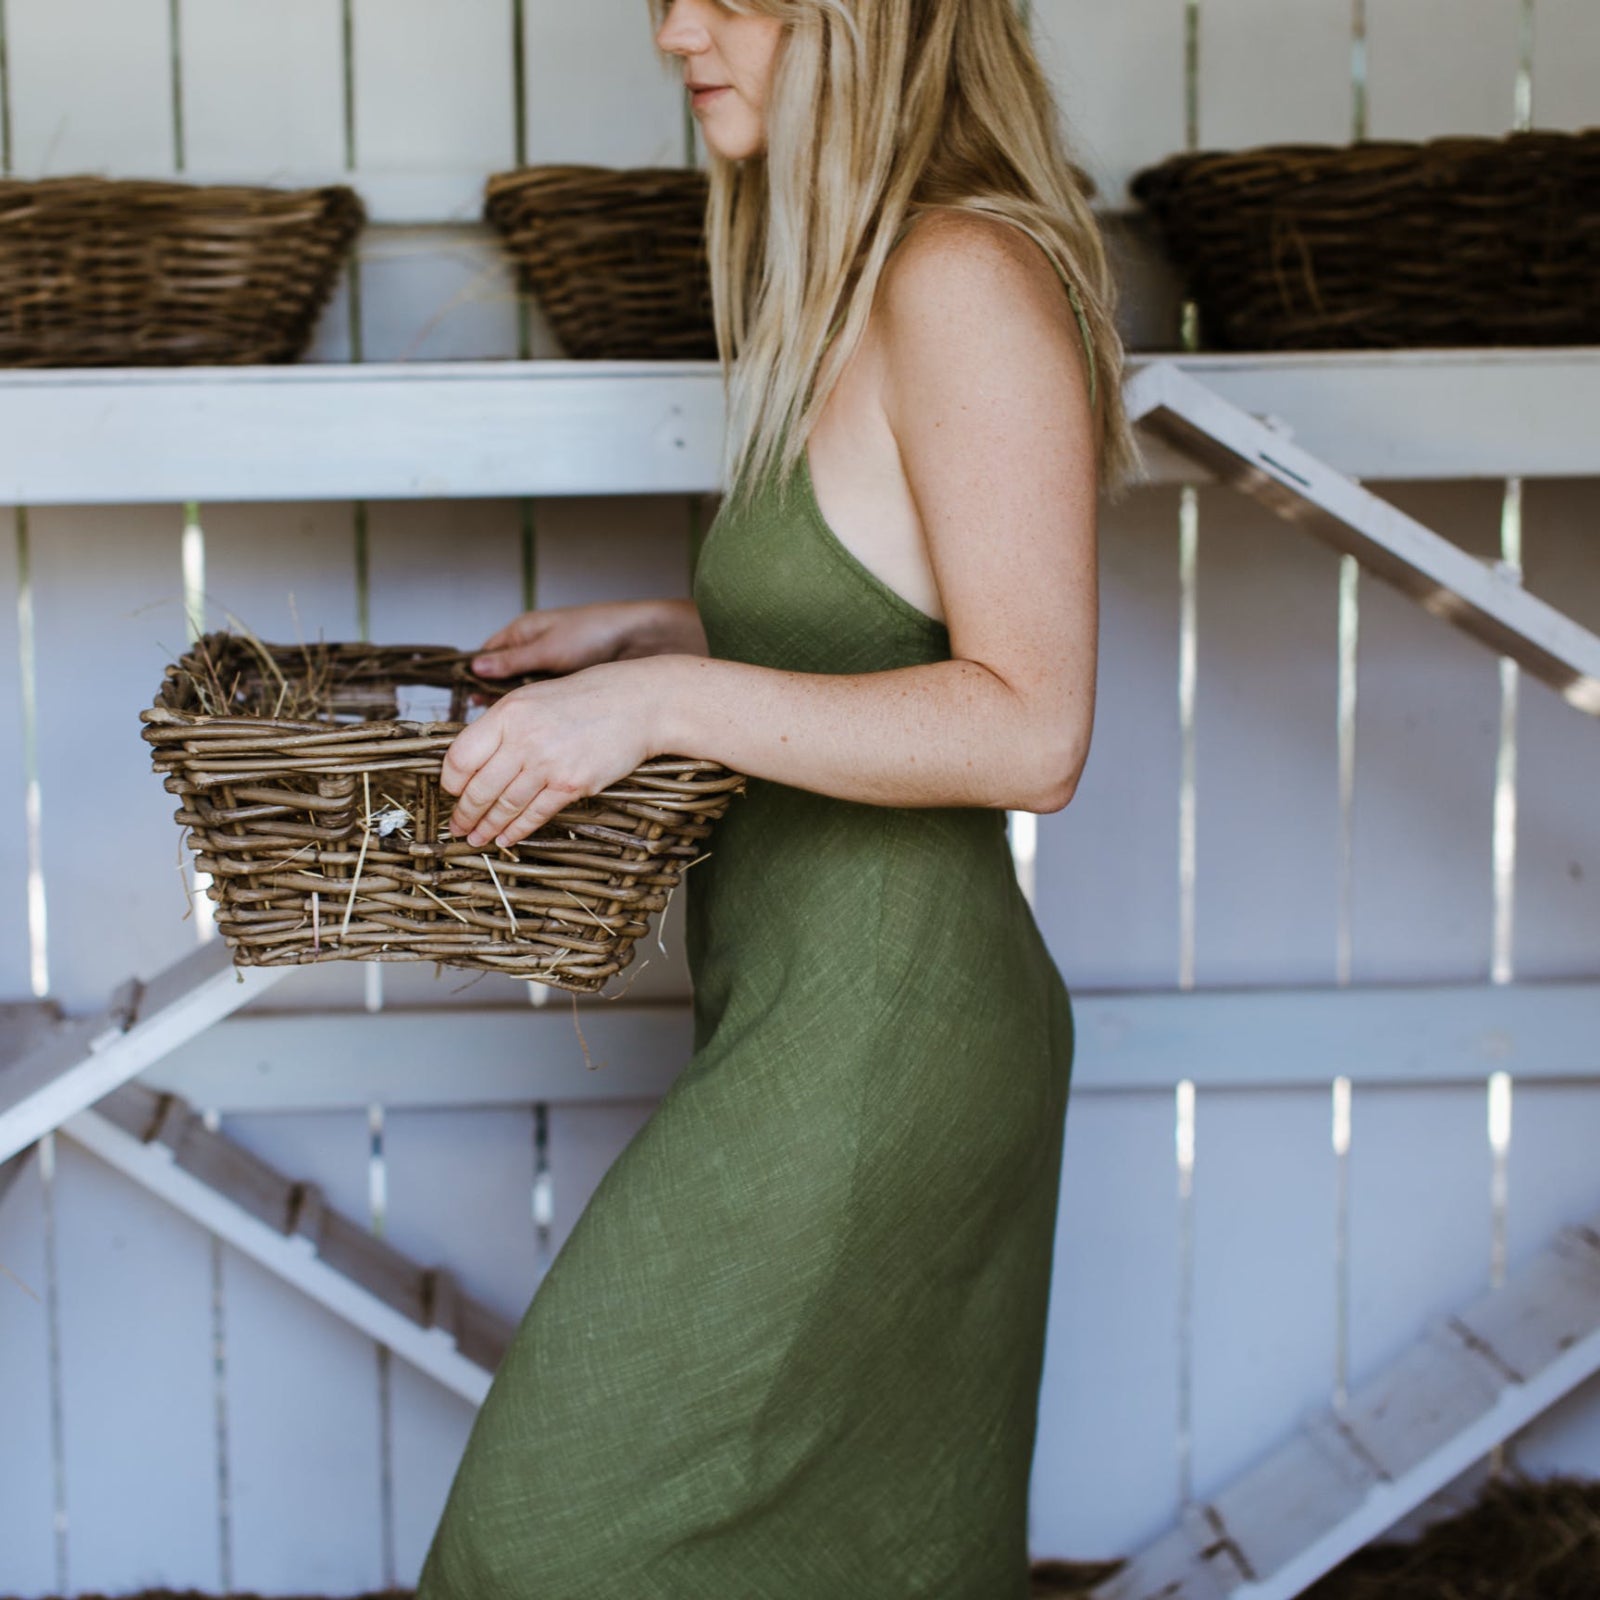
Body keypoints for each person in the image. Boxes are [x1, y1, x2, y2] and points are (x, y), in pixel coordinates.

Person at [420, 1, 1144, 1594]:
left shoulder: (961, 275)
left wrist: (664, 699)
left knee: (542, 1548)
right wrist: (672, 634)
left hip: (890, 1031)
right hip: (815, 1002)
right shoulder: (850, 278)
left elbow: (1034, 729)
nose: (674, 26)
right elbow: (892, 637)